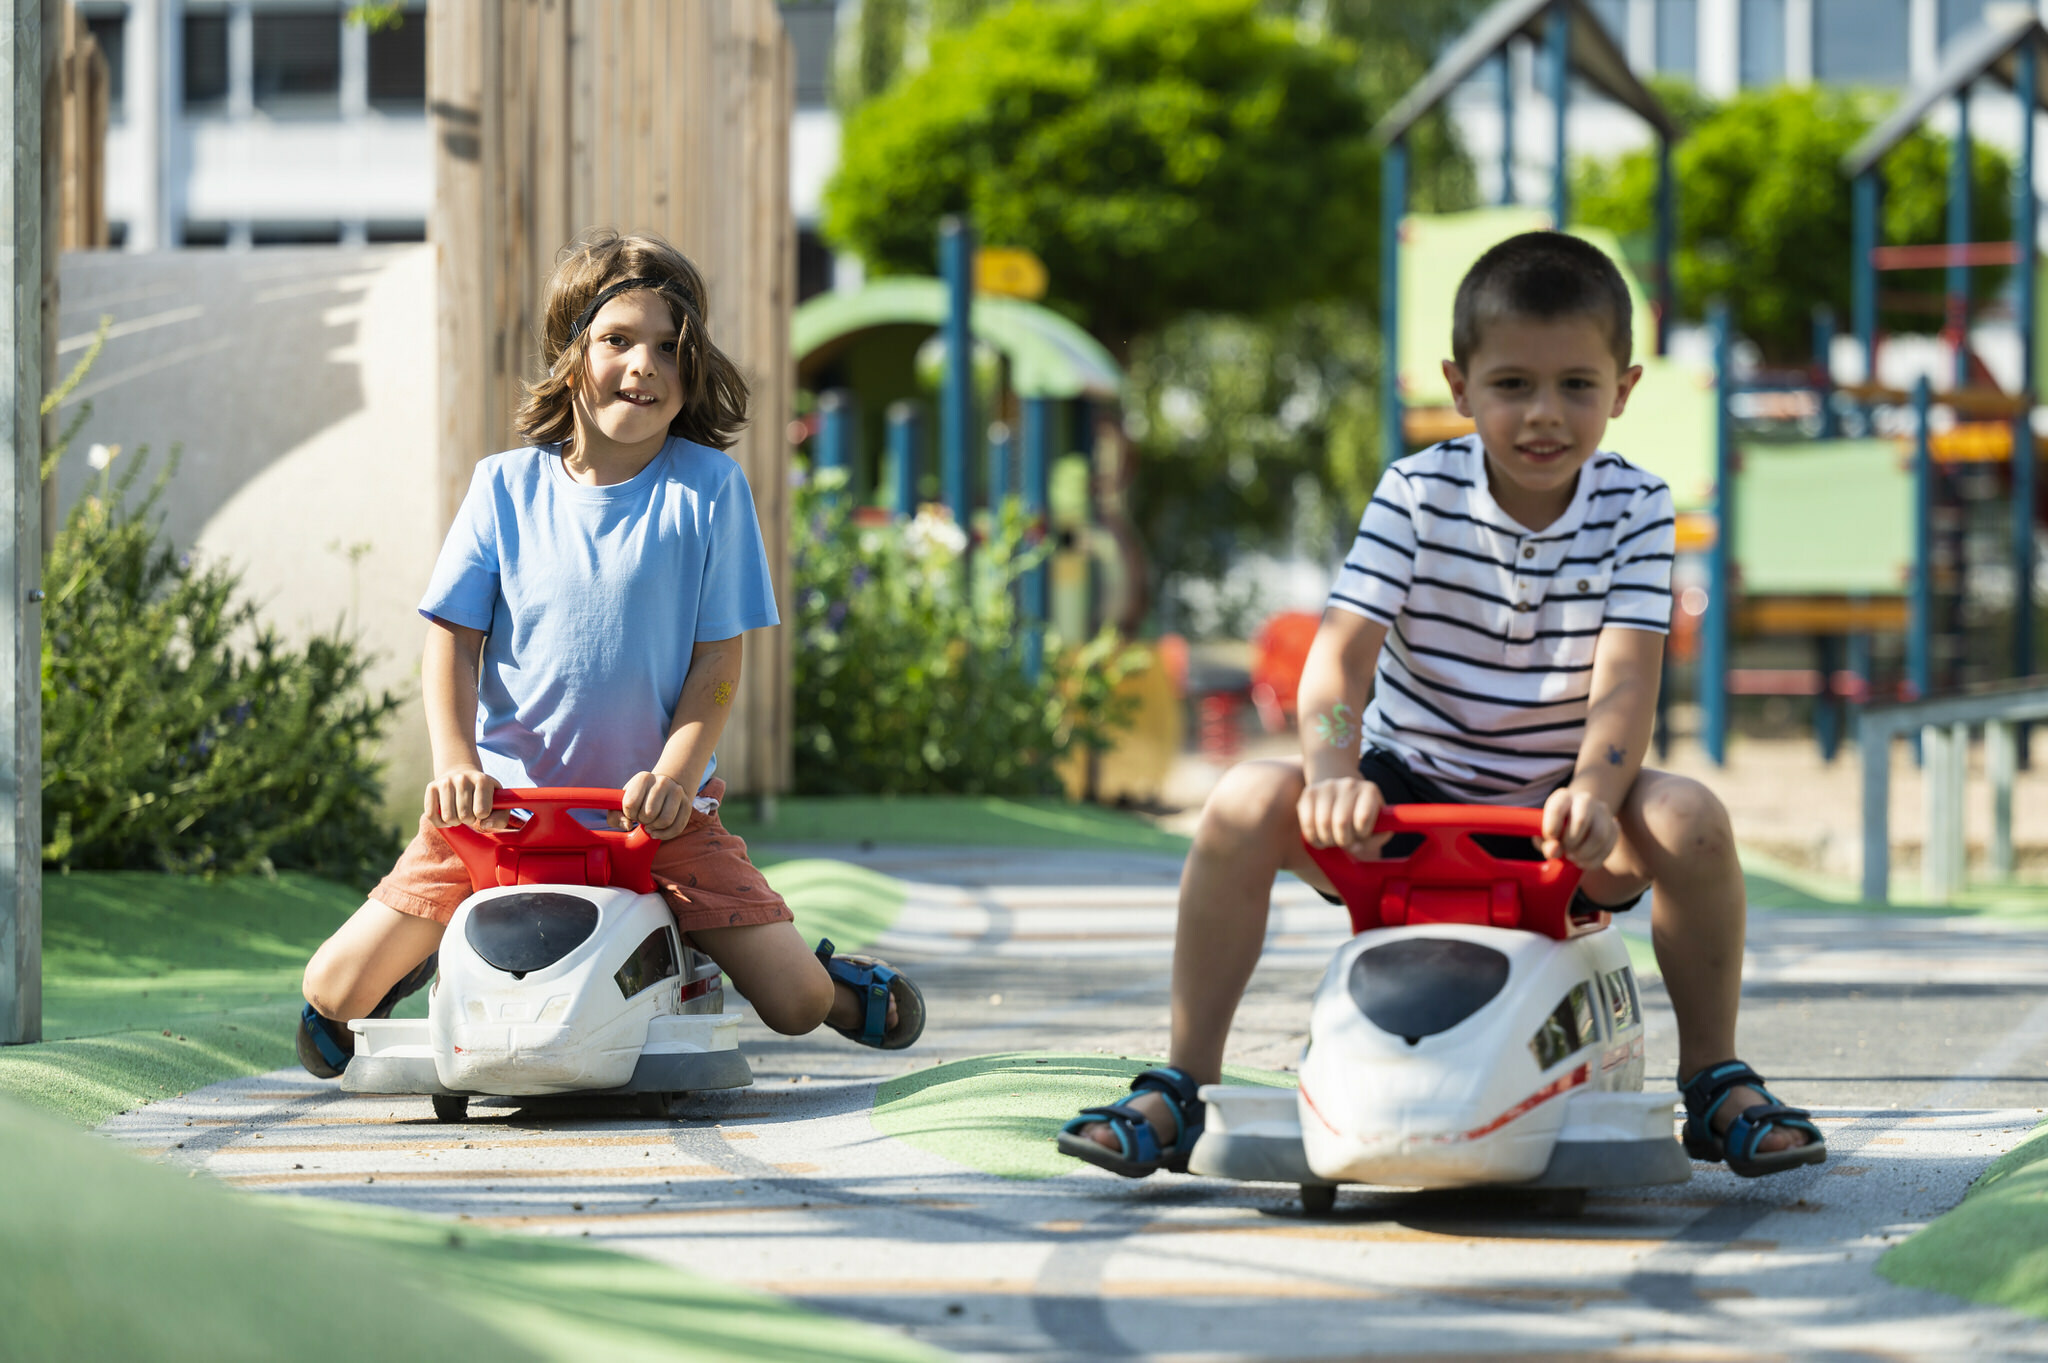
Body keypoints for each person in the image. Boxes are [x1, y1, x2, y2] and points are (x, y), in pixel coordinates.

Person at [1059, 231, 1824, 1181]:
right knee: (1243, 802)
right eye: (1513, 385)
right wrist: (1335, 771)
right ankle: (1179, 1082)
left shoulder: (1638, 505)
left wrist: (1592, 788)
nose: (1545, 414)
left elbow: (1627, 678)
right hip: (1404, 803)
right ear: (1460, 387)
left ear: (1622, 390)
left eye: (1576, 386)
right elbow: (1340, 662)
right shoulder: (1417, 492)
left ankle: (1715, 1078)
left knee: (1693, 821)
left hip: (1561, 812)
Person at [297, 229, 923, 1078]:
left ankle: (840, 983)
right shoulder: (503, 488)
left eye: (671, 348)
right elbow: (452, 643)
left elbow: (718, 664)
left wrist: (674, 777)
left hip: (653, 819)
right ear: (570, 355)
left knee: (793, 1003)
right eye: (618, 341)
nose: (645, 366)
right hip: (501, 816)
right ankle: (423, 955)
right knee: (330, 990)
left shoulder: (708, 491)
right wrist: (455, 764)